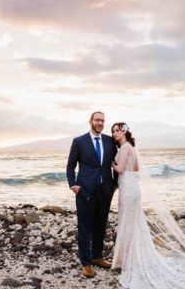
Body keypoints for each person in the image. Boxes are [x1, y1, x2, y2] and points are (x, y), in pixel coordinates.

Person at [110, 122, 185, 289]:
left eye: (117, 130)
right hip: (133, 187)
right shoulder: (131, 146)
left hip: (127, 189)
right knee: (133, 223)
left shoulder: (124, 147)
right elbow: (136, 168)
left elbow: (121, 169)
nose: (115, 133)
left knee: (127, 223)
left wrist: (111, 163)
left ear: (124, 132)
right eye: (113, 131)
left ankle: (129, 260)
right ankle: (129, 258)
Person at [66, 111, 118, 278]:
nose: (99, 123)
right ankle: (86, 263)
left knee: (101, 225)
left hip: (105, 190)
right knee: (85, 227)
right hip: (85, 190)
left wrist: (115, 184)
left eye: (102, 120)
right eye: (97, 120)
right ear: (90, 121)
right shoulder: (79, 141)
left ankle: (97, 256)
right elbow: (70, 166)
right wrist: (73, 185)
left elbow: (115, 163)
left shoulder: (110, 141)